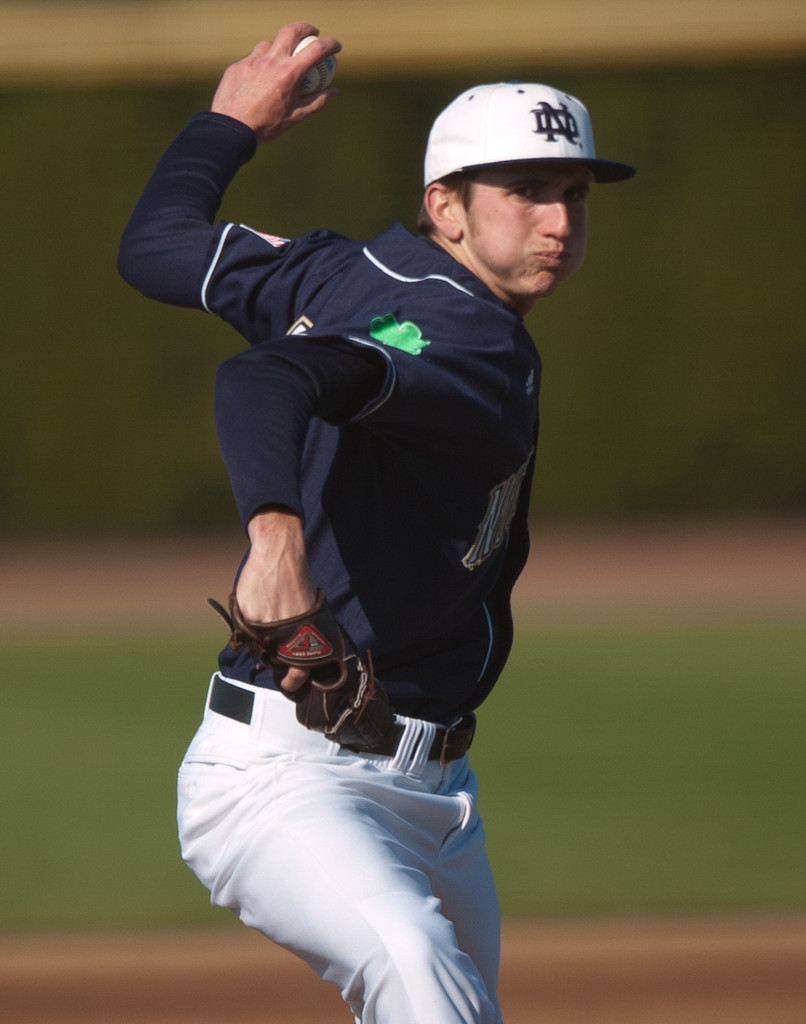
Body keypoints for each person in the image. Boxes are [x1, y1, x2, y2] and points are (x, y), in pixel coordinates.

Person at [118, 21, 634, 1024]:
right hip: (296, 775)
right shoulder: (453, 330)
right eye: (522, 190)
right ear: (443, 204)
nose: (558, 222)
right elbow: (268, 378)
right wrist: (275, 537)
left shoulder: (339, 272)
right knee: (413, 972)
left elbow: (154, 249)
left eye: (570, 193)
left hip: (433, 796)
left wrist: (225, 128)